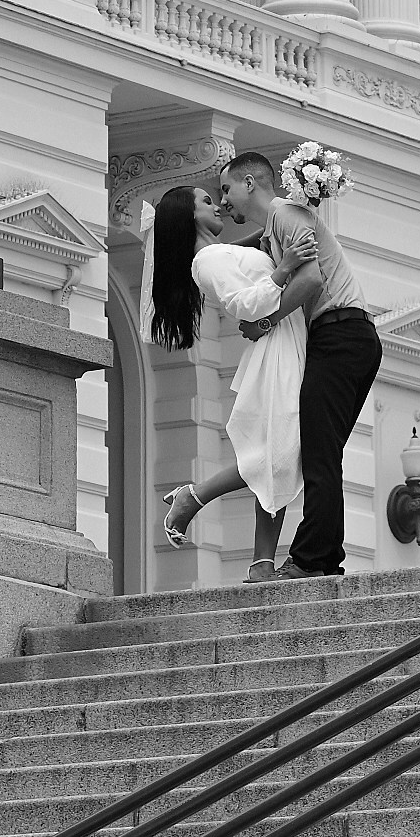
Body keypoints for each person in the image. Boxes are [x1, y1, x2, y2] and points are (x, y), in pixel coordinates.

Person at [221, 144, 382, 579]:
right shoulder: (276, 228)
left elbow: (311, 278)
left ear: (249, 182)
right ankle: (323, 558)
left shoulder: (286, 216)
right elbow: (240, 256)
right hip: (349, 338)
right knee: (322, 453)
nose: (222, 201)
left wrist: (265, 322)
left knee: (318, 454)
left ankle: (313, 560)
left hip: (340, 335)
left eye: (226, 188)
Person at [147, 181, 306, 580]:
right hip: (276, 347)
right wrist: (285, 268)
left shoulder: (219, 253)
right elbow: (244, 306)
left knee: (280, 456)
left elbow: (254, 248)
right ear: (189, 217)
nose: (217, 205)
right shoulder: (207, 261)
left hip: (286, 342)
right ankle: (196, 499)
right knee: (276, 454)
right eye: (206, 201)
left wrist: (283, 216)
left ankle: (260, 562)